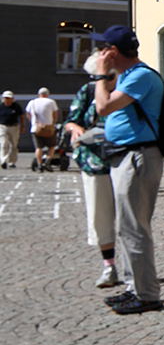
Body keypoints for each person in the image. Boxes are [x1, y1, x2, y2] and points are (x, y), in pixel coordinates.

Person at [91, 24, 164, 314]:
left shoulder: (140, 76)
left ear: (114, 51)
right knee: (127, 228)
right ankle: (135, 287)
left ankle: (147, 295)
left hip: (138, 158)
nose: (98, 52)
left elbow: (103, 107)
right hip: (127, 156)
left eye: (103, 48)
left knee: (135, 229)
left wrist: (100, 73)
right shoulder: (130, 76)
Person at [64, 50, 120, 288]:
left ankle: (135, 266)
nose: (107, 80)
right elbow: (71, 120)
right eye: (102, 76)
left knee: (131, 218)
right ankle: (109, 267)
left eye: (110, 75)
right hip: (94, 162)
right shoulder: (87, 92)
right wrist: (74, 129)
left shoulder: (125, 91)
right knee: (100, 216)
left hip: (124, 160)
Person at [25, 87, 58, 172]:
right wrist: (53, 124)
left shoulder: (32, 102)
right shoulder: (51, 102)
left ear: (39, 94)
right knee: (52, 146)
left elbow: (28, 114)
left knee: (39, 147)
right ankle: (47, 161)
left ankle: (39, 165)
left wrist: (33, 122)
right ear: (47, 94)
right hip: (48, 128)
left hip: (36, 128)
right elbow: (55, 115)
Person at [0, 90, 24, 169]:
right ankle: (3, 160)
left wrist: (23, 126)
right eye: (6, 98)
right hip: (3, 127)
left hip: (14, 127)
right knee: (3, 144)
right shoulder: (1, 105)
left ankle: (11, 162)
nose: (7, 100)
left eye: (9, 98)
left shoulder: (16, 106)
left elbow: (21, 116)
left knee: (13, 145)